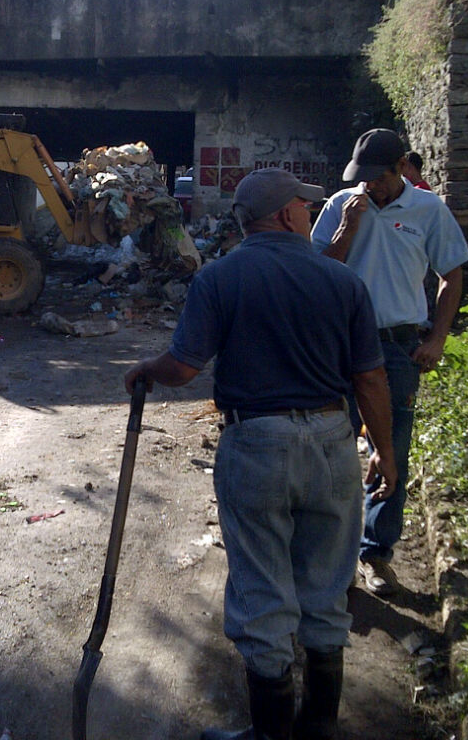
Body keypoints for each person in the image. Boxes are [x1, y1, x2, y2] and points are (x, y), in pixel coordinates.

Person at [125, 168, 397, 740]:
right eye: (306, 205)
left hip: (257, 446)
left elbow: (182, 368)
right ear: (287, 215)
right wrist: (385, 452)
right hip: (331, 441)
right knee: (326, 586)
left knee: (263, 590)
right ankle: (317, 730)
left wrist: (146, 370)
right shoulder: (341, 281)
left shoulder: (221, 278)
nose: (310, 213)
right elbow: (370, 379)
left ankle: (272, 735)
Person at [311, 129, 468, 598]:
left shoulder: (429, 209)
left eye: (376, 179)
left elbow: (452, 275)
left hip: (397, 348)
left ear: (400, 168)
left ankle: (375, 553)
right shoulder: (341, 204)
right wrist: (347, 227)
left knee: (392, 450)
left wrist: (438, 338)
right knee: (329, 450)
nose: (369, 188)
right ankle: (328, 554)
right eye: (361, 179)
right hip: (338, 347)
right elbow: (317, 273)